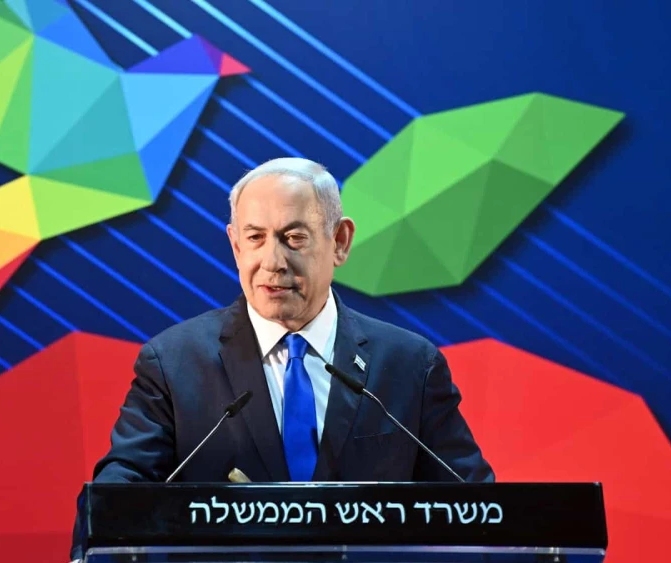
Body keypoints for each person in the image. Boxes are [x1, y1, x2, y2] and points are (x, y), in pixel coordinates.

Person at [69, 157, 493, 561]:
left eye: (294, 238)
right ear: (235, 245)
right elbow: (115, 501)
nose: (272, 262)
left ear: (340, 241)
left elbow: (481, 512)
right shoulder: (174, 364)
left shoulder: (409, 366)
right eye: (255, 238)